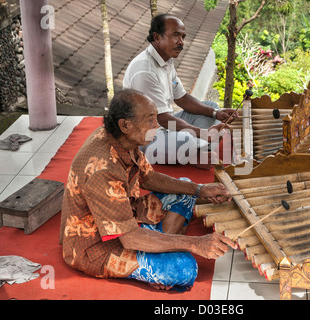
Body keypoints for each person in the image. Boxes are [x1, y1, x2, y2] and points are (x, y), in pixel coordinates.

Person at [59, 89, 236, 291]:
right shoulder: (101, 169)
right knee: (185, 269)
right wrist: (195, 244)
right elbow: (129, 237)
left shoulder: (123, 139)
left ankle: (157, 245)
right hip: (96, 244)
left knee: (187, 189)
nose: (157, 125)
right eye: (150, 119)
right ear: (125, 125)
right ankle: (158, 247)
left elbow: (149, 177)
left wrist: (200, 189)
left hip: (127, 217)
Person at [122, 14, 238, 169]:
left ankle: (196, 151)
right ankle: (195, 154)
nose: (181, 42)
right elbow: (160, 119)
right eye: (176, 35)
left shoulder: (166, 60)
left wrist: (216, 113)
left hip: (163, 127)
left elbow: (182, 98)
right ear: (157, 38)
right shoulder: (145, 70)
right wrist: (203, 134)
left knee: (210, 106)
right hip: (144, 137)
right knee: (185, 140)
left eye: (183, 36)